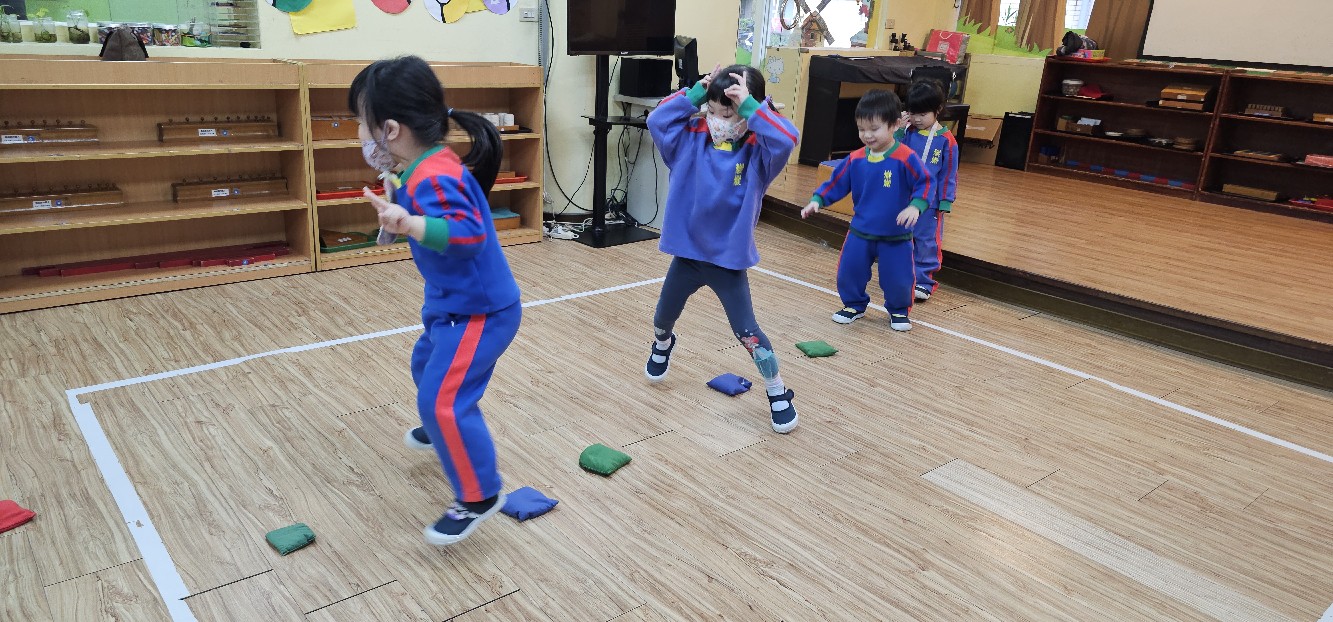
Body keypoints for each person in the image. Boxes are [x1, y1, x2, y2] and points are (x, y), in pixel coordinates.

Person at [351, 55, 519, 546]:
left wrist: (409, 222)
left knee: (442, 399)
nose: (360, 135)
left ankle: (480, 495)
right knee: (426, 367)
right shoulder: (421, 167)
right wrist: (400, 210)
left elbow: (467, 234)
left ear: (391, 129)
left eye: (362, 124)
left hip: (480, 312)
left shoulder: (436, 176)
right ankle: (445, 427)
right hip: (452, 304)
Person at [645, 63, 802, 434]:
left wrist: (752, 107)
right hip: (687, 257)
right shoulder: (690, 138)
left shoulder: (760, 152)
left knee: (748, 332)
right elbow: (656, 119)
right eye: (711, 111)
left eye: (727, 113)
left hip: (728, 263)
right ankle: (663, 343)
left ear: (748, 110)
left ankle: (777, 390)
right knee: (662, 318)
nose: (717, 120)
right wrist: (696, 93)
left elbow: (787, 138)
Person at [801, 89, 932, 332]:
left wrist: (916, 205)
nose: (867, 135)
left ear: (894, 125)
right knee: (849, 271)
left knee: (899, 277)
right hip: (860, 232)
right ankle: (854, 305)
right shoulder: (856, 159)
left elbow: (925, 182)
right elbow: (836, 182)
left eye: (874, 128)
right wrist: (818, 199)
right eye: (862, 129)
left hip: (896, 235)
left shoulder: (906, 158)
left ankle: (899, 310)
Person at [900, 80, 959, 301]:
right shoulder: (907, 133)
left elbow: (948, 173)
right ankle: (903, 276)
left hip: (930, 203)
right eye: (912, 113)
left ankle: (924, 281)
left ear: (938, 110)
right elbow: (891, 152)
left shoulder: (946, 141)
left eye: (922, 114)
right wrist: (898, 130)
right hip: (904, 199)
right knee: (902, 238)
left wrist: (945, 200)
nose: (917, 119)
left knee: (926, 242)